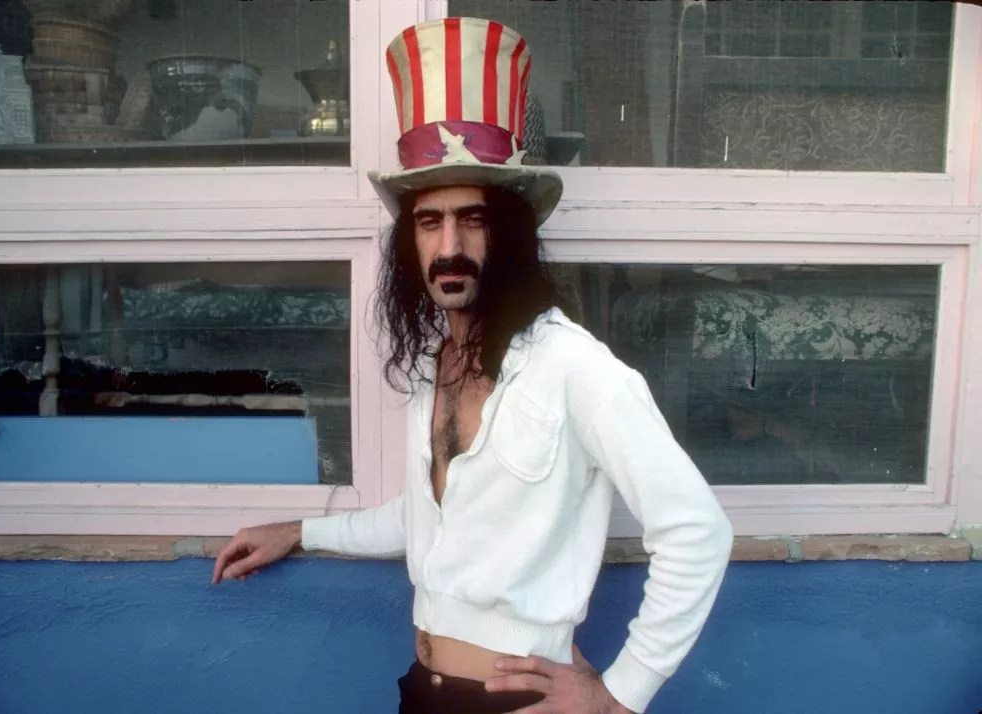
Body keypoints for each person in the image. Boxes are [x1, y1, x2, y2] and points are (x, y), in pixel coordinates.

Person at [212, 17, 733, 714]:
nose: (450, 246)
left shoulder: (573, 365)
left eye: (474, 219)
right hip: (423, 690)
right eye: (430, 222)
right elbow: (424, 519)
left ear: (509, 232)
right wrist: (300, 532)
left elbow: (697, 531)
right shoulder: (434, 368)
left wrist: (619, 694)